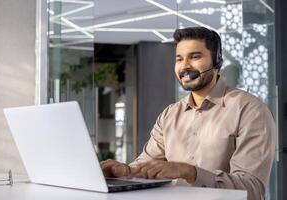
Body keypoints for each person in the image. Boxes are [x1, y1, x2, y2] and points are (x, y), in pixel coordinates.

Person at [100, 27, 275, 200]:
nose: (184, 66)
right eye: (179, 59)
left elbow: (251, 190)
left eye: (195, 56)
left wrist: (190, 172)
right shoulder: (170, 115)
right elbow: (145, 167)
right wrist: (126, 171)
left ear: (217, 61)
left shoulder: (250, 110)